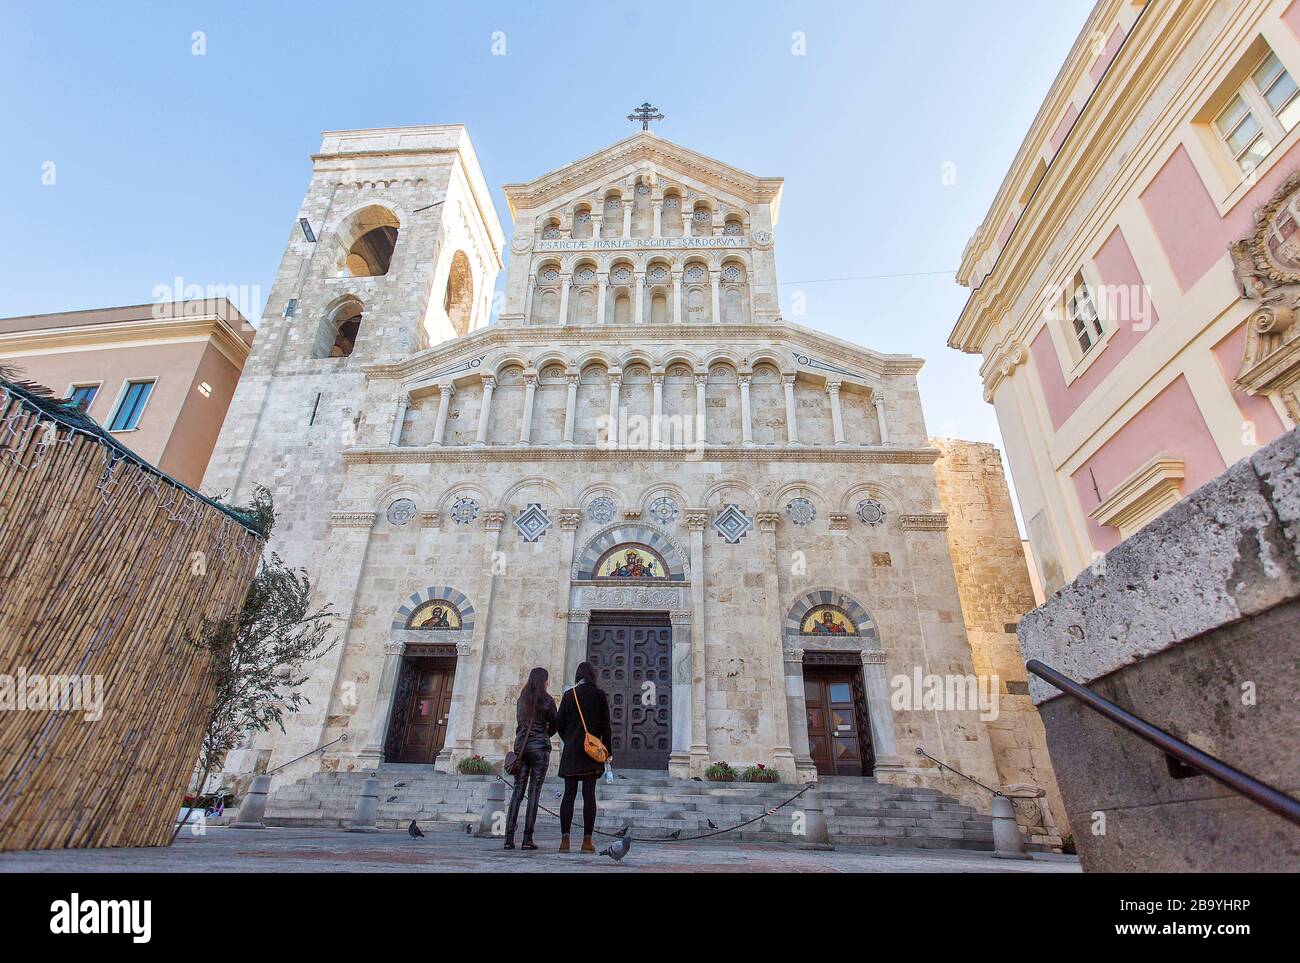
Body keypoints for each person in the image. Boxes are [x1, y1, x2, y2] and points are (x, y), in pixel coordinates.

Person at [555, 661, 614, 853]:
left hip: (572, 752)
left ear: (578, 676)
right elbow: (606, 726)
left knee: (568, 795)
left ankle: (565, 839)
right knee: (589, 796)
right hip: (591, 754)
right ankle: (587, 841)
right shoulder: (599, 696)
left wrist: (570, 740)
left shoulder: (569, 695)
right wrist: (608, 752)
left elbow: (559, 724)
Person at [505, 666, 557, 850]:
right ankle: (527, 838)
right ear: (543, 681)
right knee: (534, 793)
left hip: (521, 749)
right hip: (539, 750)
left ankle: (509, 838)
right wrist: (543, 734)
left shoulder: (521, 700)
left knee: (517, 793)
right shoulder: (547, 700)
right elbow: (555, 724)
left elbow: (520, 723)